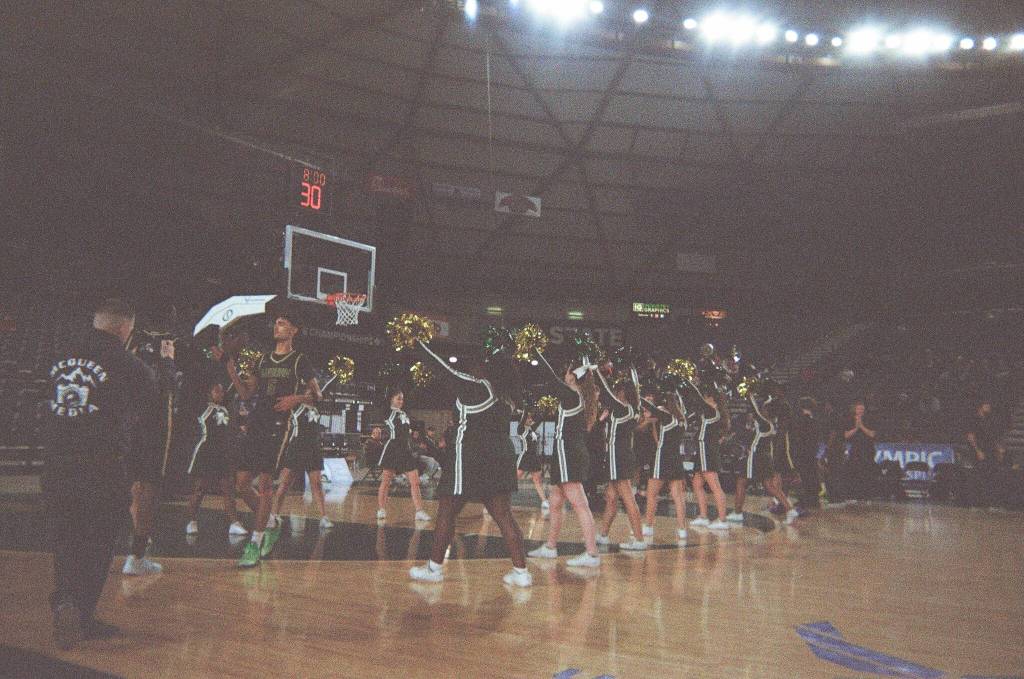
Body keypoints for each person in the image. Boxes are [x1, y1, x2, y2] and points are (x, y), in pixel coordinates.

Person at [41, 299, 165, 648]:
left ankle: (65, 601)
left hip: (55, 465)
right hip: (103, 466)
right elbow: (147, 425)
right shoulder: (133, 366)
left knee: (66, 541)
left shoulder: (57, 359)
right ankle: (81, 615)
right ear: (125, 328)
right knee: (98, 543)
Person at [409, 341, 531, 587]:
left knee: (446, 512)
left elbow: (444, 370)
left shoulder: (478, 388)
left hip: (470, 458)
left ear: (484, 368)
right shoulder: (504, 396)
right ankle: (521, 573)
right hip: (499, 458)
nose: (471, 370)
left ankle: (434, 569)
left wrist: (417, 344)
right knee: (503, 515)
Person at [226, 313, 321, 568]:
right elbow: (247, 393)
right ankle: (271, 522)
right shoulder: (264, 358)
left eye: (282, 324)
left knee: (266, 484)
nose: (277, 327)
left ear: (293, 330)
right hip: (257, 421)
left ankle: (255, 543)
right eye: (276, 323)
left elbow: (318, 395)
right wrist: (233, 373)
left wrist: (296, 399)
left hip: (280, 425)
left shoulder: (300, 360)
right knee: (242, 484)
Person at [527, 360, 601, 567]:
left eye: (567, 371)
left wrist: (535, 352)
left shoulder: (571, 395)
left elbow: (551, 378)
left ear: (573, 375)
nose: (564, 374)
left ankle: (592, 553)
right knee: (555, 502)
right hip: (565, 454)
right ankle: (550, 547)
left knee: (580, 504)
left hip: (568, 454)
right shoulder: (580, 396)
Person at [122, 328, 178, 576]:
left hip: (129, 421)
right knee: (148, 488)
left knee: (136, 487)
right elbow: (165, 386)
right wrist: (168, 361)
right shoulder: (162, 351)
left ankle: (138, 546)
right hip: (152, 425)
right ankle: (137, 553)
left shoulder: (133, 345)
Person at [184, 378, 247, 536]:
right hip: (206, 451)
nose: (220, 393)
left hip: (222, 452)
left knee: (228, 488)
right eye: (216, 390)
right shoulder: (203, 408)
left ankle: (234, 522)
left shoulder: (225, 410)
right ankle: (191, 520)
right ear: (209, 393)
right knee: (200, 489)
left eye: (222, 391)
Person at [594, 367, 646, 551]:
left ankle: (639, 539)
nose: (616, 394)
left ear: (624, 393)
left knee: (627, 498)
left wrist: (593, 369)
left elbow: (605, 392)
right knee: (611, 496)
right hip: (620, 455)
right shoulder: (630, 409)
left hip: (619, 456)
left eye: (618, 391)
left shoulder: (624, 409)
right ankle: (603, 535)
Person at [729, 393, 798, 525]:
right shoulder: (771, 424)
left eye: (764, 408)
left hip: (755, 457)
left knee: (741, 482)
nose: (762, 409)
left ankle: (737, 513)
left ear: (768, 412)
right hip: (765, 457)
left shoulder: (765, 423)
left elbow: (754, 409)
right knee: (770, 486)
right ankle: (790, 509)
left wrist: (749, 394)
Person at [270, 402, 333, 529]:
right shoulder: (295, 406)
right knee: (286, 483)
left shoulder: (316, 406)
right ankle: (274, 514)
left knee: (317, 484)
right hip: (297, 447)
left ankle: (324, 517)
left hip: (314, 448)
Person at [375, 388, 431, 523]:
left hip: (405, 449)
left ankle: (419, 511)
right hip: (393, 448)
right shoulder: (388, 412)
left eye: (402, 398)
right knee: (386, 481)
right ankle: (381, 509)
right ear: (391, 399)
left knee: (415, 481)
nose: (401, 401)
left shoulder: (404, 414)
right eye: (398, 398)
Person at [641, 391, 689, 541]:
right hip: (676, 459)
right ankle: (682, 530)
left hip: (662, 458)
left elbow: (650, 408)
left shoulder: (666, 416)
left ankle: (648, 526)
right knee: (678, 497)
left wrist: (637, 396)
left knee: (651, 494)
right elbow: (658, 437)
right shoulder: (681, 419)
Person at [683, 383, 731, 530]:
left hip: (707, 450)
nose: (705, 400)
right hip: (702, 451)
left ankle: (722, 520)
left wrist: (688, 382)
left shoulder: (713, 412)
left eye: (707, 399)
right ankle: (703, 516)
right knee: (697, 484)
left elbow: (698, 398)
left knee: (714, 485)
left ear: (714, 401)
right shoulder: (708, 412)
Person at [515, 409, 549, 514]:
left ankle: (544, 502)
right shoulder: (521, 429)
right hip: (525, 456)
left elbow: (540, 418)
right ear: (524, 419)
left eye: (530, 418)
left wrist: (547, 408)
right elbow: (524, 416)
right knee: (513, 479)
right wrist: (525, 408)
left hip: (534, 457)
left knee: (537, 480)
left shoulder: (531, 428)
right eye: (528, 418)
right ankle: (498, 500)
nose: (530, 420)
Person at [790, 397, 821, 511]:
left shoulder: (801, 421)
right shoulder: (814, 420)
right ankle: (813, 499)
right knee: (812, 475)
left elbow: (797, 438)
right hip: (811, 452)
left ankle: (805, 499)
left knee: (804, 476)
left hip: (802, 452)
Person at [843, 400, 878, 500]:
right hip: (855, 449)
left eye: (862, 409)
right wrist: (855, 428)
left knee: (866, 472)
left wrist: (861, 426)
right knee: (853, 471)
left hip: (868, 449)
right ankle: (853, 494)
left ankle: (866, 495)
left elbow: (872, 434)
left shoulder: (870, 419)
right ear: (854, 409)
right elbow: (845, 435)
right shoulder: (849, 420)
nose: (860, 411)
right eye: (859, 409)